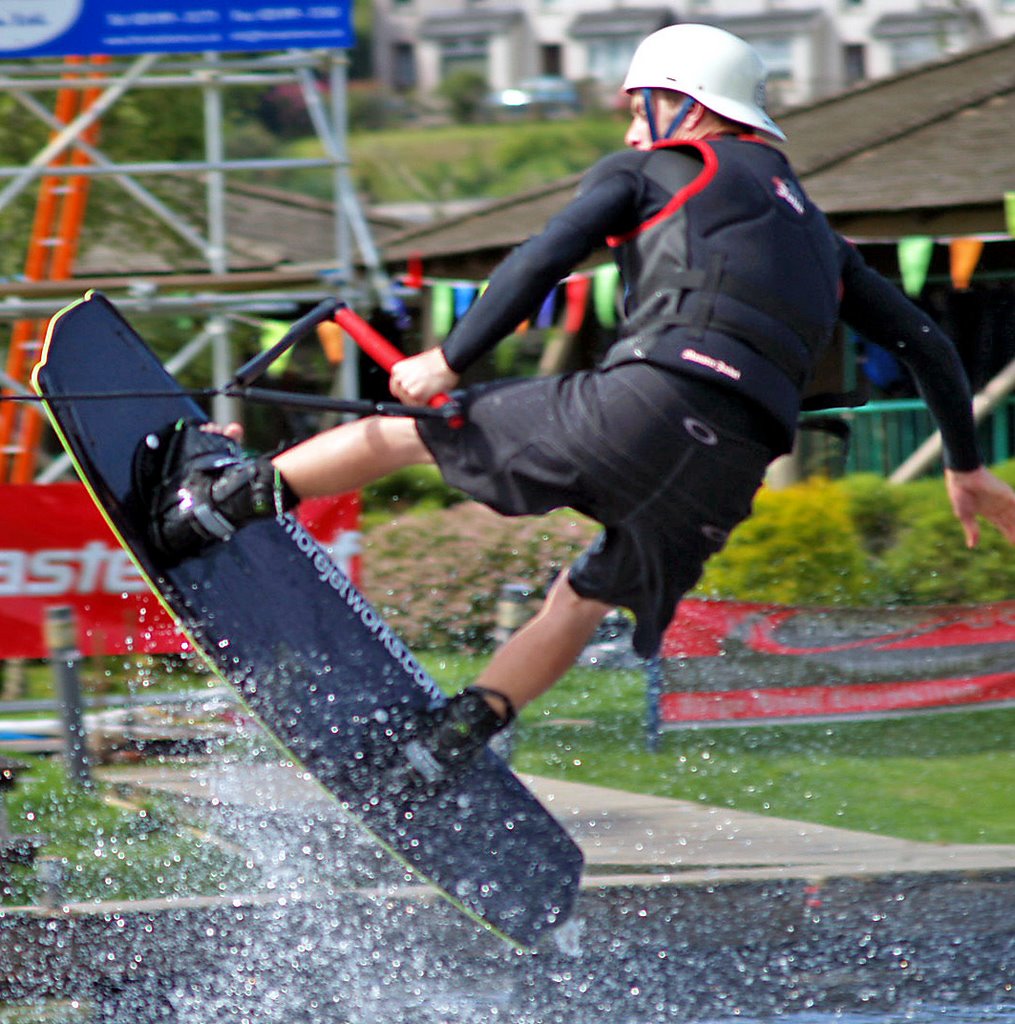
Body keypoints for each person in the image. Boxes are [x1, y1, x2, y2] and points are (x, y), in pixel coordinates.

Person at [150, 24, 1015, 785]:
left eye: (639, 107)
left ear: (685, 104)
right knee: (580, 599)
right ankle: (445, 744)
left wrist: (447, 359)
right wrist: (965, 466)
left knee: (391, 433)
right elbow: (927, 345)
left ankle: (208, 511)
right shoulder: (818, 235)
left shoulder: (658, 170)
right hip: (733, 466)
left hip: (646, 398)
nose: (632, 128)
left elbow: (540, 260)